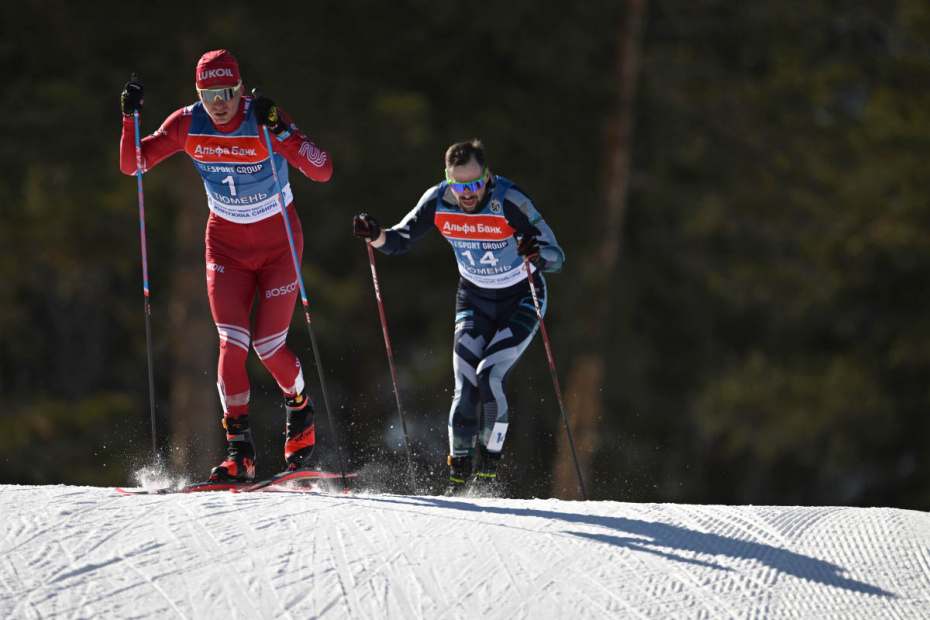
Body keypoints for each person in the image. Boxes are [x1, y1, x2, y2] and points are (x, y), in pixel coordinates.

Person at [119, 50, 333, 482]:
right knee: (231, 344)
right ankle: (241, 453)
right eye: (209, 93)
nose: (219, 102)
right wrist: (129, 120)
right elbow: (133, 164)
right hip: (226, 248)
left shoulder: (263, 117)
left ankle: (301, 411)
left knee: (269, 347)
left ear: (240, 88)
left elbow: (322, 169)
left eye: (228, 92)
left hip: (279, 246)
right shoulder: (186, 123)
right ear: (199, 92)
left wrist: (282, 131)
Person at [353, 139, 564, 494]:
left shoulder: (509, 201)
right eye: (459, 184)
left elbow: (557, 257)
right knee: (465, 385)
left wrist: (536, 254)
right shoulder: (438, 200)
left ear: (487, 176)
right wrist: (374, 235)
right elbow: (400, 239)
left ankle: (486, 479)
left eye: (474, 183)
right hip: (475, 298)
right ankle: (459, 481)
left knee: (489, 376)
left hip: (522, 298)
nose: (467, 193)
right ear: (448, 179)